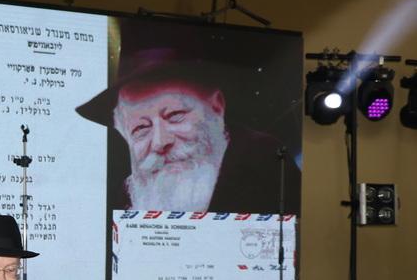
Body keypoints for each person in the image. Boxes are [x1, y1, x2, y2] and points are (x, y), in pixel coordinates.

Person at [76, 48, 301, 214]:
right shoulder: (124, 197)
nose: (160, 142)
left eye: (175, 115)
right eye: (141, 128)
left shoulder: (264, 164)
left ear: (216, 107)